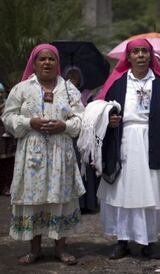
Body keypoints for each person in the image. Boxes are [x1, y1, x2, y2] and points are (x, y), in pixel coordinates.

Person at [95, 38, 160, 260]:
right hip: (123, 141)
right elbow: (100, 110)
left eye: (144, 51)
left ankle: (149, 241)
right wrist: (109, 121)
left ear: (150, 55)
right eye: (135, 52)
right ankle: (122, 241)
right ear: (128, 57)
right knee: (123, 193)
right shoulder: (117, 83)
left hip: (152, 142)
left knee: (151, 194)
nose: (140, 55)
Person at [1, 44, 85, 265]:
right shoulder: (21, 89)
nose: (47, 63)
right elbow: (8, 119)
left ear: (58, 64)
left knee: (61, 198)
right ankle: (35, 249)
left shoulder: (68, 90)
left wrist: (64, 126)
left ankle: (60, 249)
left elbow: (81, 119)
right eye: (42, 59)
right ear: (35, 62)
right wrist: (30, 122)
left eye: (51, 59)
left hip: (60, 152)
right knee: (33, 198)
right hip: (32, 152)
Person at [63, 66, 100, 214]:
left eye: (75, 75)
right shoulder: (60, 93)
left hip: (84, 136)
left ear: (80, 78)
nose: (72, 77)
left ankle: (88, 203)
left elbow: (93, 111)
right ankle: (74, 205)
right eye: (70, 75)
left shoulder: (87, 94)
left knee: (85, 167)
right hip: (68, 134)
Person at [0, 83, 17, 196]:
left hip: (7, 141)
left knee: (8, 164)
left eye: (1, 92)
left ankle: (7, 186)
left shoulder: (7, 104)